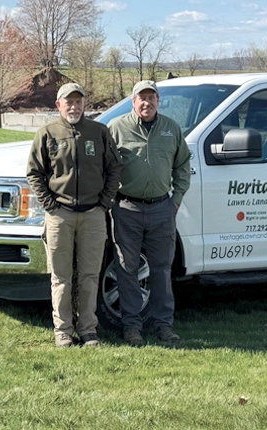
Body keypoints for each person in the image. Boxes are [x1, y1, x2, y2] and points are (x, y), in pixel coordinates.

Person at [27, 83, 122, 347]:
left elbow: (115, 169)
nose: (74, 106)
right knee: (61, 277)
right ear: (59, 105)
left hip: (93, 215)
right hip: (60, 215)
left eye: (78, 101)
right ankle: (63, 331)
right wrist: (49, 204)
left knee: (90, 275)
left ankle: (89, 329)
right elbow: (34, 173)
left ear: (84, 104)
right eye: (68, 102)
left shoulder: (98, 132)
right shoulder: (47, 134)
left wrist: (104, 203)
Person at [108, 80, 191, 346]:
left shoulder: (171, 129)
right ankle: (132, 327)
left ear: (158, 101)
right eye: (141, 98)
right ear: (133, 102)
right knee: (127, 269)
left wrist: (175, 201)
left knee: (161, 270)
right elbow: (104, 168)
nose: (147, 103)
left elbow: (182, 166)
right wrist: (110, 203)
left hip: (161, 209)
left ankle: (164, 326)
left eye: (152, 98)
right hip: (126, 209)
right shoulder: (117, 128)